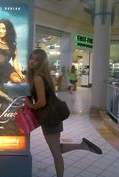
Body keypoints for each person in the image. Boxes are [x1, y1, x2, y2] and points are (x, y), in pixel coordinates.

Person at [24, 49, 102, 177]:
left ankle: (80, 149)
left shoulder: (38, 77)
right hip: (53, 116)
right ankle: (83, 145)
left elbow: (42, 102)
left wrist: (30, 105)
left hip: (49, 118)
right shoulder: (45, 76)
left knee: (56, 154)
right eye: (31, 58)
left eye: (36, 59)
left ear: (41, 62)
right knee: (57, 148)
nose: (32, 61)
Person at [0, 19, 26, 86]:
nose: (0, 31)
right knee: (5, 85)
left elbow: (15, 63)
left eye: (3, 29)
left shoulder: (13, 46)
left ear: (8, 30)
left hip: (7, 69)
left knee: (19, 80)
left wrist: (20, 74)